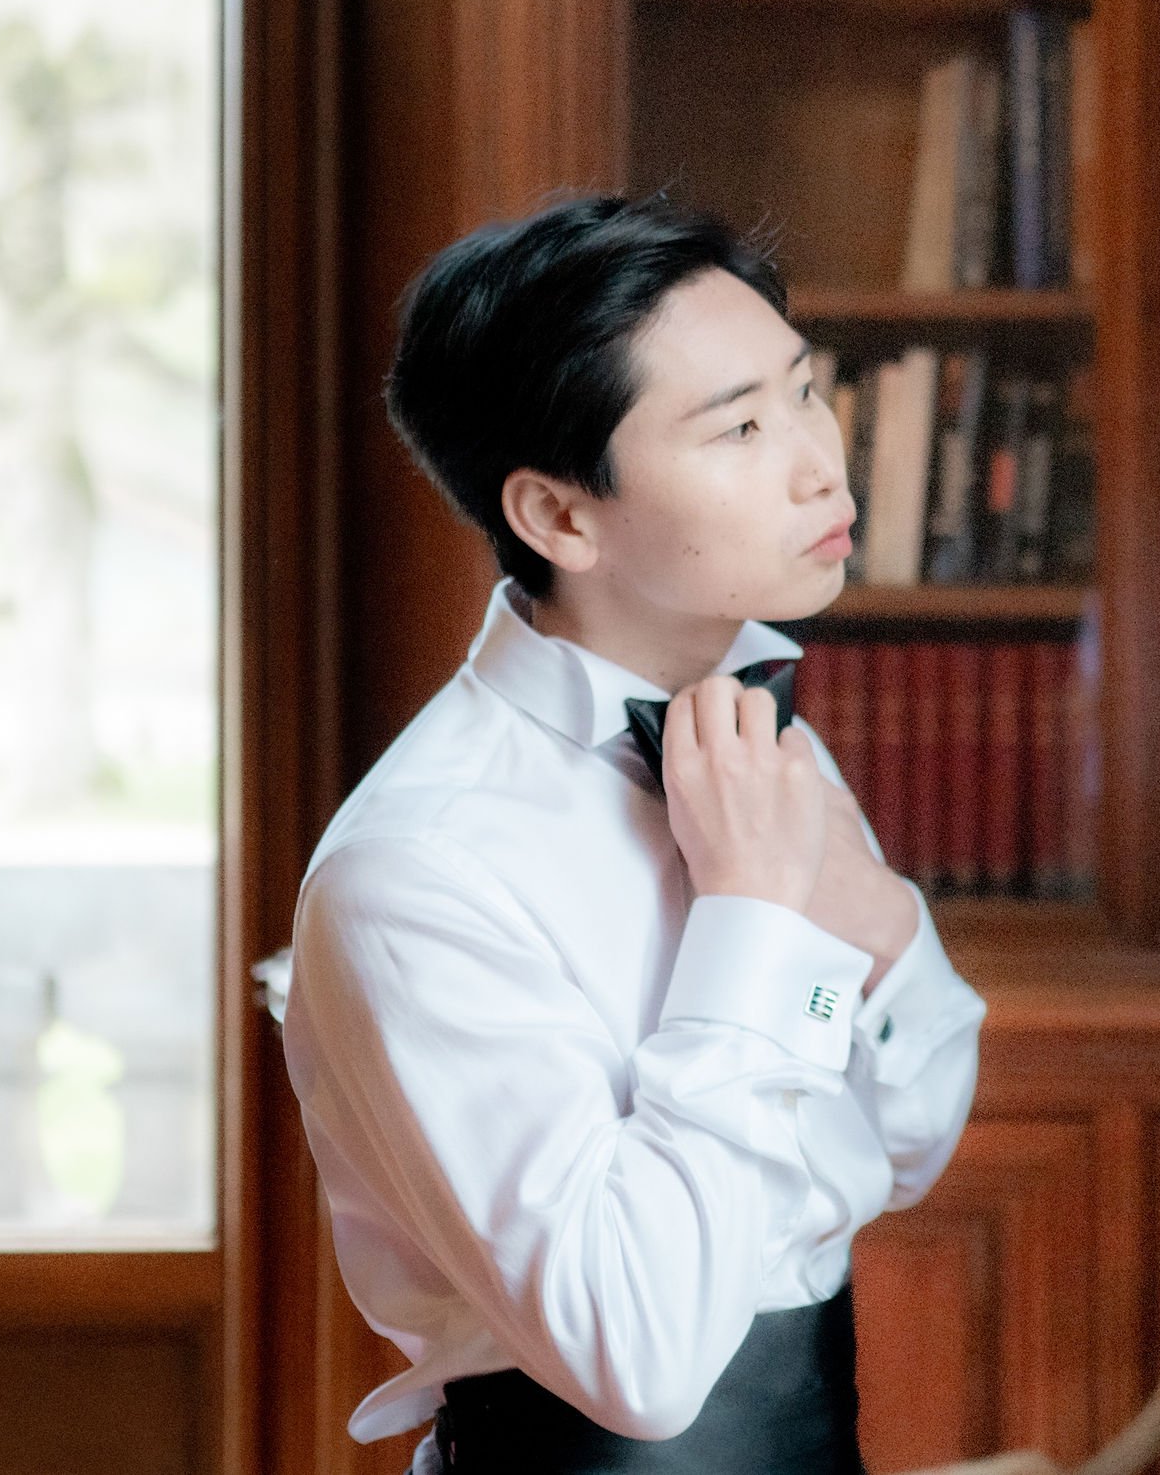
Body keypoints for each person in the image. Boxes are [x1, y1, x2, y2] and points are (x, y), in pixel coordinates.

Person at [280, 194, 984, 1473]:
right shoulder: (417, 867)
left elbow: (906, 1142)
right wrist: (753, 925)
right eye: (741, 427)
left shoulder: (758, 744)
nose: (822, 462)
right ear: (559, 516)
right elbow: (639, 1358)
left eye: (806, 391)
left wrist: (875, 924)